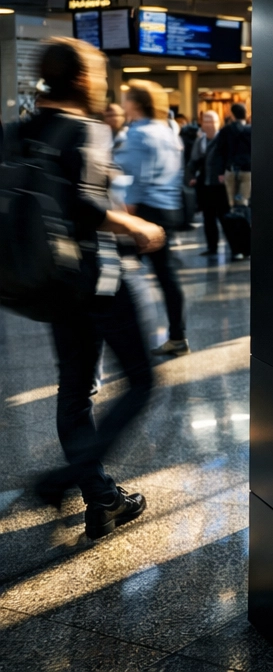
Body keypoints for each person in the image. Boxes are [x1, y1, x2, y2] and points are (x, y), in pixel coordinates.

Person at [20, 38, 165, 539]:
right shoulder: (85, 128)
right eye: (99, 74)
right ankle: (65, 479)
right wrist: (136, 226)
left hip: (51, 282)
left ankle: (101, 499)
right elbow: (84, 207)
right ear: (83, 78)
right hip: (97, 279)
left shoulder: (23, 129)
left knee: (75, 389)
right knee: (142, 380)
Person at [117, 81, 190, 357]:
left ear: (136, 103)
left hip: (144, 211)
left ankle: (126, 339)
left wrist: (126, 216)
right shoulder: (168, 132)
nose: (123, 104)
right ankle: (178, 335)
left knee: (120, 273)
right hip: (167, 209)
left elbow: (137, 180)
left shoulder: (139, 133)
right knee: (166, 276)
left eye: (126, 99)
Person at [186, 110, 226, 255]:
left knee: (225, 217)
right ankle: (212, 247)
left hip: (221, 185)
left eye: (212, 121)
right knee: (208, 217)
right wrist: (191, 176)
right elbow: (193, 162)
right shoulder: (200, 141)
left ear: (219, 123)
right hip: (205, 185)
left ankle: (237, 248)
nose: (209, 124)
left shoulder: (224, 139)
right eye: (206, 121)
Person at [213, 102, 252, 211]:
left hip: (230, 169)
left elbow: (219, 152)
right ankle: (243, 217)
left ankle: (234, 216)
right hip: (247, 170)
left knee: (231, 202)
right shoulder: (251, 130)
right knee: (243, 201)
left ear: (232, 115)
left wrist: (220, 172)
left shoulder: (225, 131)